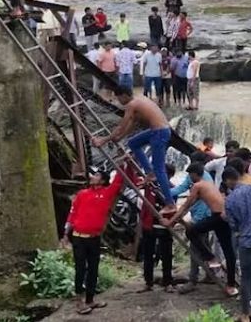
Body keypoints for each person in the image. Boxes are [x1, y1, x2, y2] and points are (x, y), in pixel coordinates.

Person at [92, 90, 175, 212]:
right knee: (133, 143)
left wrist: (103, 140)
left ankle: (170, 204)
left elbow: (122, 125)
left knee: (159, 169)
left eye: (119, 98)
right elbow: (132, 123)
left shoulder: (132, 104)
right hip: (159, 131)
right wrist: (119, 137)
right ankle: (149, 172)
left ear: (124, 95)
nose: (119, 102)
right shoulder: (139, 100)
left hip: (159, 133)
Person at [161, 163, 238, 296]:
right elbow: (192, 205)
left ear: (195, 174)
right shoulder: (209, 183)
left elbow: (185, 205)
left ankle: (210, 257)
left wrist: (170, 221)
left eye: (190, 175)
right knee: (229, 251)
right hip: (225, 217)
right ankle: (231, 285)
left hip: (217, 216)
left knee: (191, 231)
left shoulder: (198, 185)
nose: (189, 178)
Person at [63, 168, 125, 314]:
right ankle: (79, 301)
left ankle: (90, 300)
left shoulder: (107, 193)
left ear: (103, 180)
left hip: (94, 239)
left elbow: (118, 180)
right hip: (79, 238)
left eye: (96, 175)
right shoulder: (82, 194)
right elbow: (72, 214)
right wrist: (65, 234)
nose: (92, 176)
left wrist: (124, 163)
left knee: (93, 268)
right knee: (80, 268)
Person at [138, 165, 175, 293]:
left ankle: (168, 282)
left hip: (164, 225)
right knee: (148, 254)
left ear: (169, 176)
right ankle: (148, 282)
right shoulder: (151, 185)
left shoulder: (172, 189)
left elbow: (173, 207)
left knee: (166, 255)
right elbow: (137, 183)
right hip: (149, 225)